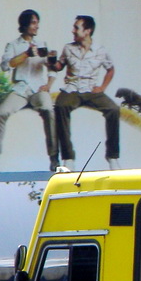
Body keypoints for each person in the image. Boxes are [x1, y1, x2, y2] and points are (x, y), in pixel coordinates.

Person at [0, 9, 59, 172]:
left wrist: (49, 84)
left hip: (38, 88)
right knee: (0, 113)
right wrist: (26, 54)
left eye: (37, 22)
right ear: (25, 25)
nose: (37, 26)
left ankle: (54, 156)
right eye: (34, 22)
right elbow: (6, 66)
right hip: (21, 89)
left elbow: (51, 68)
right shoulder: (13, 45)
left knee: (48, 110)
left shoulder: (42, 43)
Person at [52, 15, 121, 169]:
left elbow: (110, 69)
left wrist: (102, 87)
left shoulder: (100, 51)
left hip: (91, 89)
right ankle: (68, 158)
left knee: (113, 109)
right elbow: (59, 66)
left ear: (87, 31)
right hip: (72, 89)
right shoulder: (68, 48)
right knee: (60, 107)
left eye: (77, 27)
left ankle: (112, 156)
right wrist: (51, 62)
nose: (73, 30)